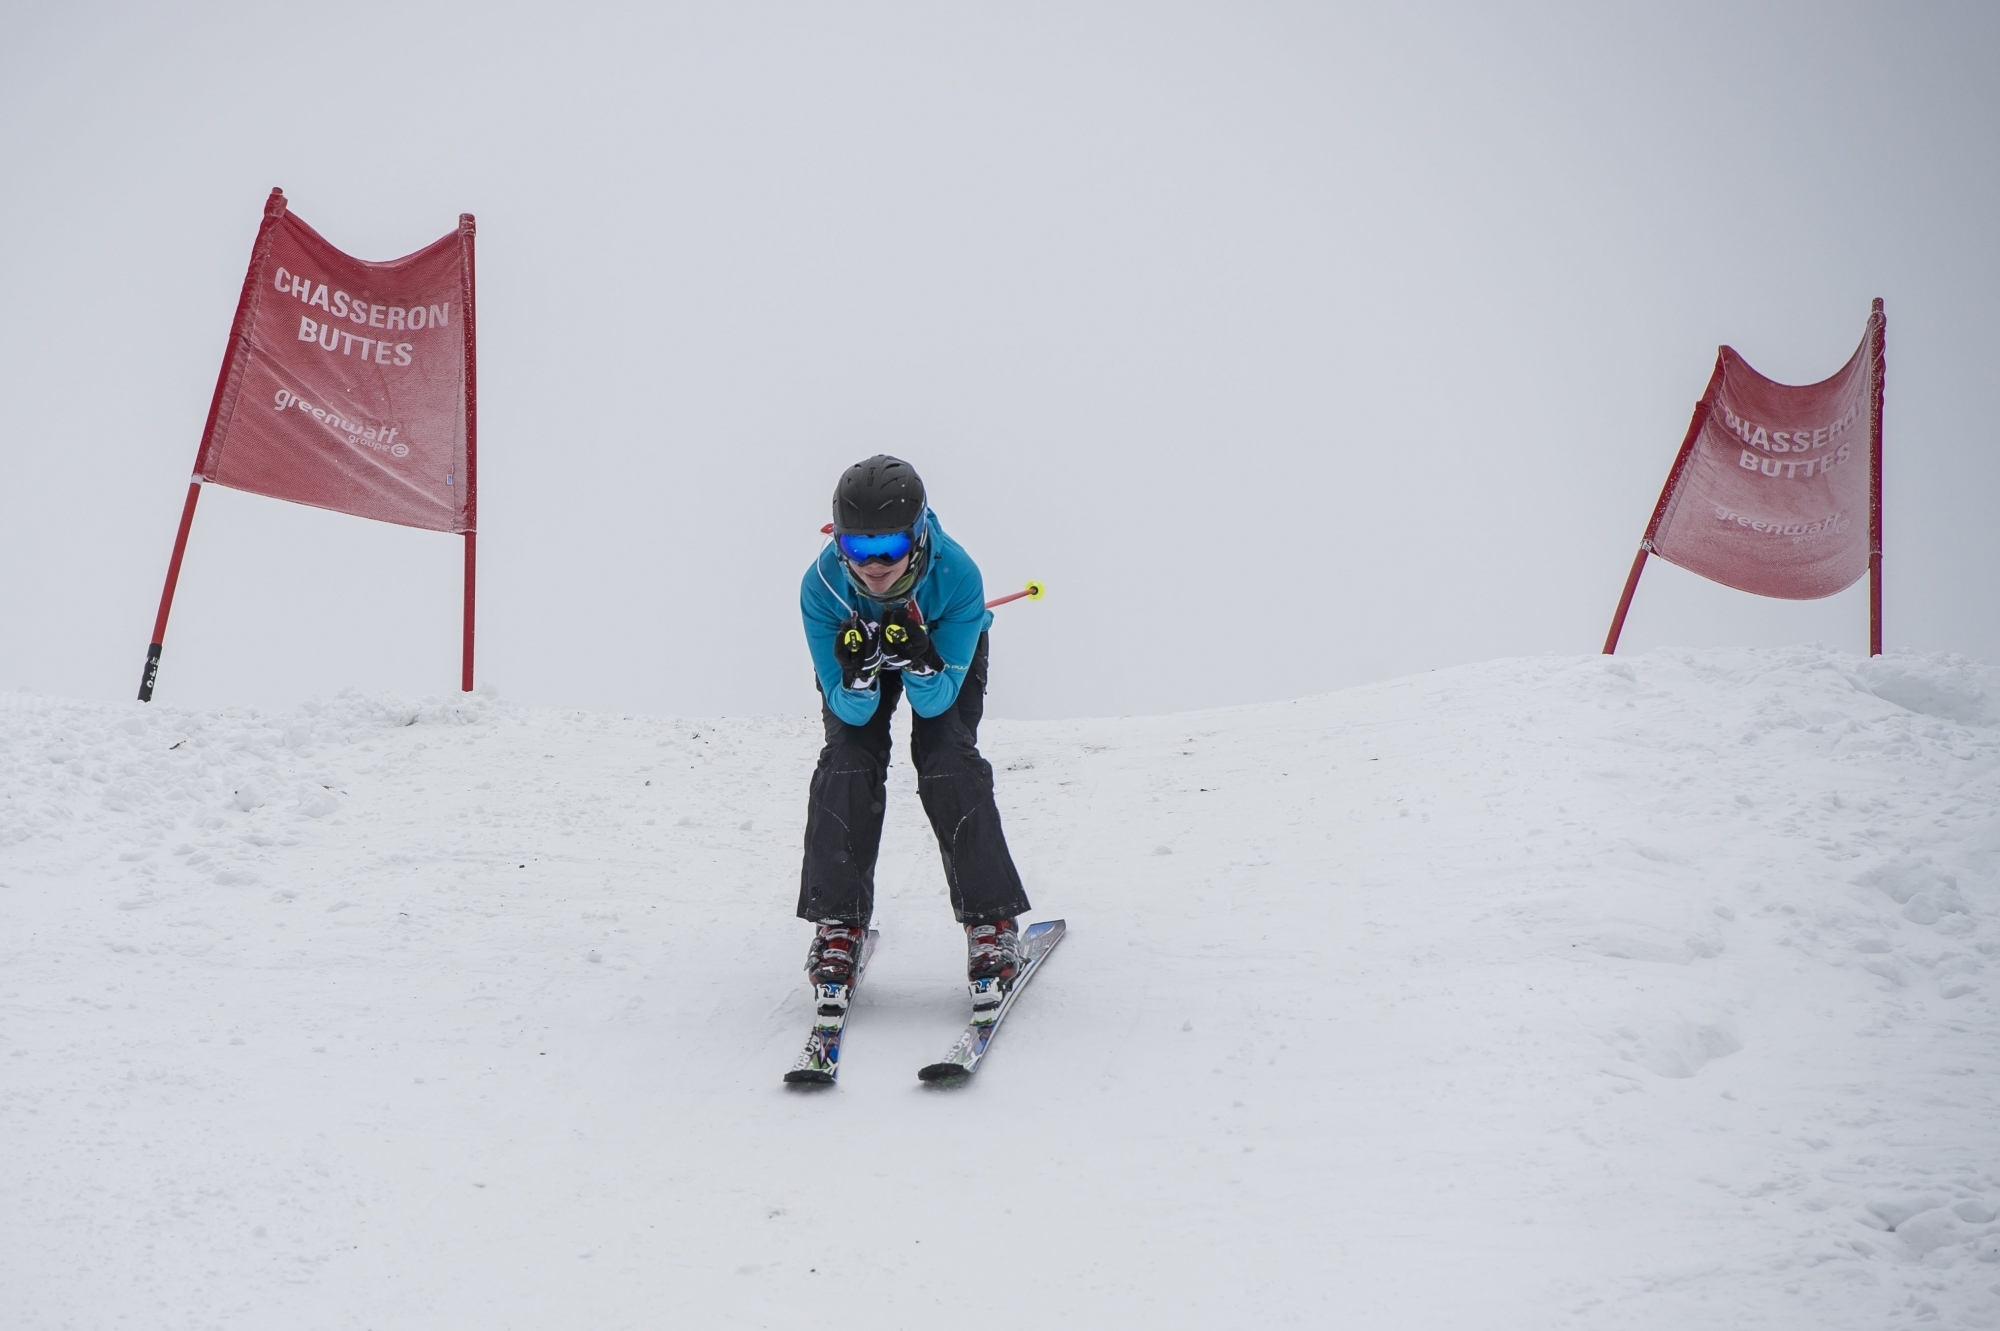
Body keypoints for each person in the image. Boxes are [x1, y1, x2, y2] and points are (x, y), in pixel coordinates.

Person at [796, 454, 1030, 1025]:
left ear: (919, 534)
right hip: (862, 647)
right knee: (847, 759)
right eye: (857, 548)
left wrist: (923, 661)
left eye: (891, 547)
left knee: (947, 757)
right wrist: (855, 674)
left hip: (944, 644)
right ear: (838, 540)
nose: (874, 565)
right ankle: (839, 923)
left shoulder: (958, 575)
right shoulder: (822, 587)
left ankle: (991, 921)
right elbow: (854, 714)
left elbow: (938, 702)